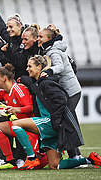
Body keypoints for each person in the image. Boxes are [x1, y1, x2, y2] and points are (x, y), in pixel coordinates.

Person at [13, 55, 101, 170]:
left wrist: (56, 120)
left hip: (49, 122)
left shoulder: (46, 83)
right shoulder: (39, 83)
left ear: (39, 67)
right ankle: (89, 159)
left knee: (16, 124)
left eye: (30, 66)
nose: (27, 69)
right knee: (55, 165)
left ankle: (31, 158)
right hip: (51, 123)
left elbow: (62, 99)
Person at [37, 27, 83, 160]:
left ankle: (75, 155)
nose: (39, 39)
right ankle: (75, 154)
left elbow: (60, 67)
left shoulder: (54, 51)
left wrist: (50, 71)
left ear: (49, 39)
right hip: (70, 91)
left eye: (41, 37)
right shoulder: (50, 49)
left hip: (71, 92)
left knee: (66, 122)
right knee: (66, 122)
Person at [0, 10, 29, 79]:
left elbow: (19, 62)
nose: (8, 29)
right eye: (7, 27)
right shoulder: (12, 37)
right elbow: (3, 31)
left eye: (11, 27)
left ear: (19, 26)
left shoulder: (27, 39)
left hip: (26, 76)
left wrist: (6, 52)